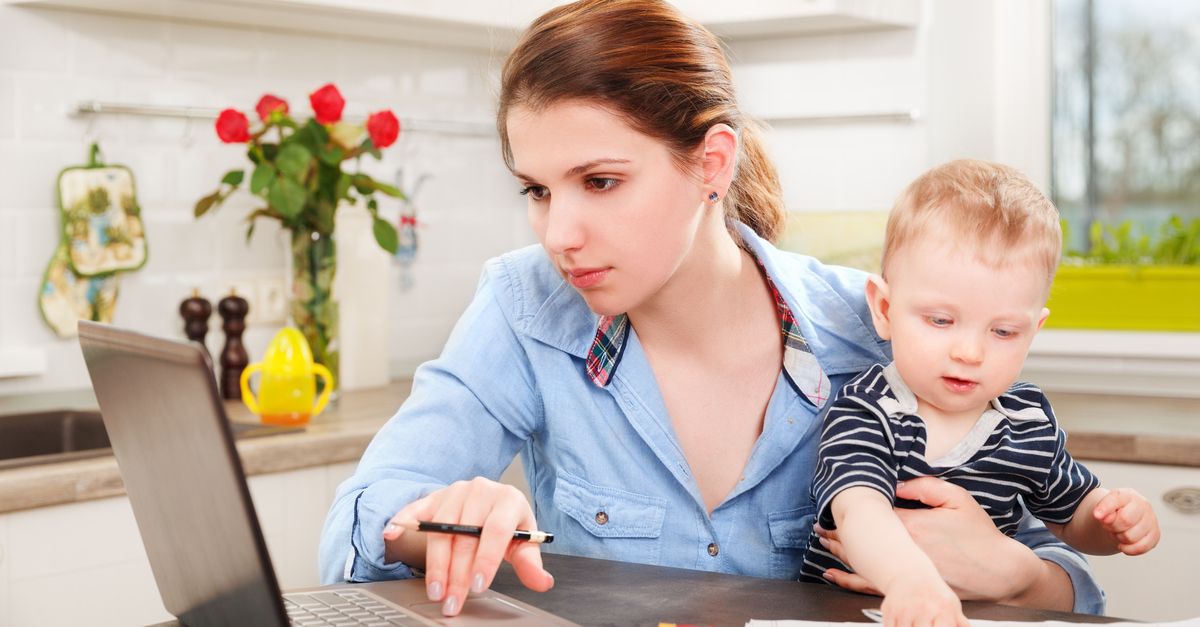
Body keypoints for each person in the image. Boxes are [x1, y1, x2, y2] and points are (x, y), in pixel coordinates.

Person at [319, 0, 1106, 618]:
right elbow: (354, 529)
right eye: (536, 189)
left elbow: (1070, 583)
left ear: (712, 163)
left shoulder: (873, 330)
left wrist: (1017, 574)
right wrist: (440, 522)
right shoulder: (525, 306)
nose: (559, 232)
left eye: (600, 181)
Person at [798, 159, 1161, 626]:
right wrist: (913, 583)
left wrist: (1114, 520)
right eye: (941, 321)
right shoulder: (869, 408)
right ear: (885, 309)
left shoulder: (1028, 422)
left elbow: (1073, 518)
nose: (969, 352)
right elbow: (858, 512)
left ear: (1034, 330)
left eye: (1004, 331)